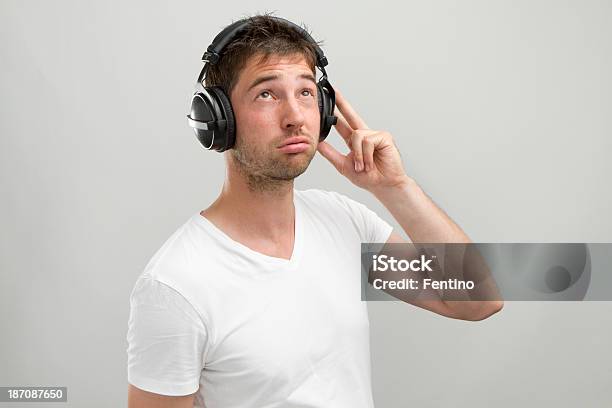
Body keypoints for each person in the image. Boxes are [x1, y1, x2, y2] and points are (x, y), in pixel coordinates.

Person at [126, 13, 503, 408]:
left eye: (306, 93)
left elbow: (479, 300)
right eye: (266, 94)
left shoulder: (343, 221)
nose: (294, 117)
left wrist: (396, 188)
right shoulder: (175, 286)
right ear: (217, 119)